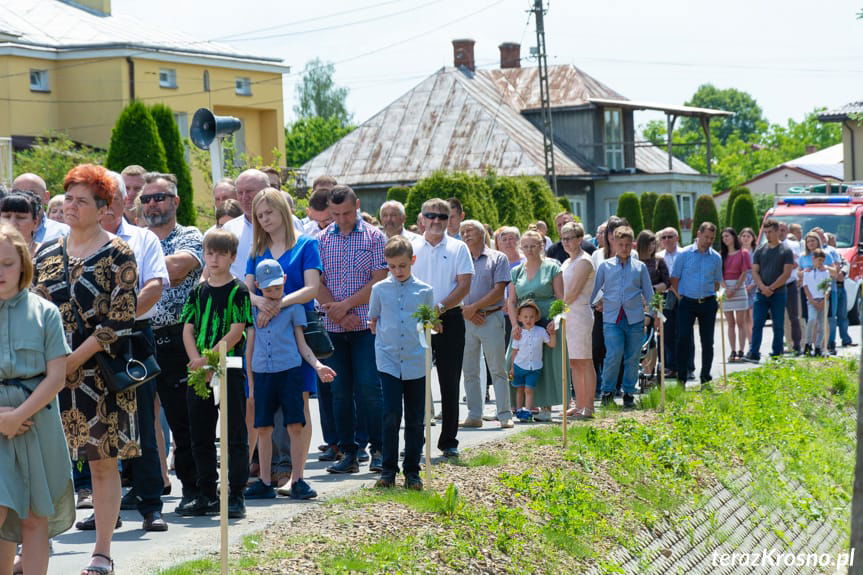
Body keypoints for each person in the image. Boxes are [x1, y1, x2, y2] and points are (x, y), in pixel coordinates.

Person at [32, 164, 138, 575]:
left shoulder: (117, 253)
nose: (70, 207)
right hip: (46, 377)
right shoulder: (45, 253)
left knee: (101, 462)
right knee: (42, 463)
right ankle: (38, 546)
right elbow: (34, 309)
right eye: (68, 199)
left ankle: (102, 551)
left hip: (100, 377)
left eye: (81, 201)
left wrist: (71, 361)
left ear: (103, 207)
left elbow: (120, 320)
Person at [0, 225, 73, 575]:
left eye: (7, 264)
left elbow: (56, 376)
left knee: (33, 514)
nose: (0, 272)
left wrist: (18, 415)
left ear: (23, 265)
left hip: (36, 421)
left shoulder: (45, 312)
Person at [101, 172, 169, 532]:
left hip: (133, 337)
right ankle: (104, 510)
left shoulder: (142, 239)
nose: (105, 203)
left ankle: (150, 504)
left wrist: (113, 322)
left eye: (109, 195)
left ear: (121, 199)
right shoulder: (76, 242)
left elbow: (154, 287)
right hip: (90, 343)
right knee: (100, 425)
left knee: (142, 422)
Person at [243, 188, 323, 489]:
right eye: (259, 215)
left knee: (299, 406)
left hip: (296, 334)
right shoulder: (256, 252)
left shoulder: (306, 245)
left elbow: (312, 288)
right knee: (266, 411)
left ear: (283, 212)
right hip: (265, 340)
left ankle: (298, 475)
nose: (265, 220)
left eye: (269, 213)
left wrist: (278, 303)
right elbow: (246, 290)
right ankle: (269, 472)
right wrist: (260, 301)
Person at [139, 173, 204, 517]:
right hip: (142, 337)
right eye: (147, 199)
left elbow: (179, 268)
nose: (152, 204)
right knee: (139, 422)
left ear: (175, 201)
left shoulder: (190, 235)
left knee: (185, 420)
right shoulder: (136, 238)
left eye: (160, 197)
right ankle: (145, 489)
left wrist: (137, 269)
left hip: (182, 338)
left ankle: (195, 488)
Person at [244, 259, 335, 500]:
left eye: (277, 287)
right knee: (263, 427)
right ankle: (264, 480)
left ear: (284, 281)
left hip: (289, 372)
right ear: (258, 287)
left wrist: (317, 365)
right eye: (267, 289)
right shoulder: (252, 310)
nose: (273, 293)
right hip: (263, 373)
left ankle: (297, 478)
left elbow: (301, 343)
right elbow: (249, 349)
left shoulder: (293, 308)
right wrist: (251, 383)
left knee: (295, 425)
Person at [181, 229, 252, 519]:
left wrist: (210, 359)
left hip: (228, 369)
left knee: (234, 432)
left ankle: (236, 494)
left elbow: (237, 331)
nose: (214, 258)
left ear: (232, 257)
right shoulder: (198, 291)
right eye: (210, 253)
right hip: (200, 372)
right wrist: (196, 360)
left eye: (221, 253)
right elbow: (187, 329)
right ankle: (206, 493)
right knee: (200, 433)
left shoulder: (239, 291)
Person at [318, 185, 387, 472]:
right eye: (335, 214)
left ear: (357, 205)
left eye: (347, 212)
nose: (342, 219)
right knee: (340, 391)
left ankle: (380, 449)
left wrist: (345, 306)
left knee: (370, 387)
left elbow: (380, 278)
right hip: (334, 325)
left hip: (364, 325)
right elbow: (316, 282)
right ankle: (347, 451)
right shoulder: (320, 239)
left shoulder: (374, 237)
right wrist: (338, 310)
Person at [368, 236, 435, 490]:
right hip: (389, 360)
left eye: (403, 266)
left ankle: (412, 470)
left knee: (416, 418)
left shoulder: (424, 291)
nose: (398, 271)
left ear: (412, 262)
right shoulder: (379, 289)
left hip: (416, 360)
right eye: (393, 266)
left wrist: (432, 326)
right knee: (391, 414)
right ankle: (388, 470)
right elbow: (374, 318)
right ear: (387, 264)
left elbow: (429, 323)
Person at [412, 198, 473, 456]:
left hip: (449, 318)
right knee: (415, 383)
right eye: (431, 216)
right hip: (416, 319)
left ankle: (448, 441)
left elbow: (463, 285)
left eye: (442, 216)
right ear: (422, 218)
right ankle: (416, 441)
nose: (436, 221)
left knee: (449, 382)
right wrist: (424, 314)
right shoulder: (411, 247)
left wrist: (438, 310)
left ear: (450, 220)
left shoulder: (459, 248)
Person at [591, 226, 655, 407]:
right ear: (613, 244)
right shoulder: (605, 266)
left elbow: (649, 293)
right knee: (613, 354)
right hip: (612, 318)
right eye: (621, 244)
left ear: (633, 244)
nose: (625, 248)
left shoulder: (640, 267)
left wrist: (653, 313)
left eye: (628, 244)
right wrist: (596, 303)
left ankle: (628, 392)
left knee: (633, 356)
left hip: (634, 318)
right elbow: (594, 289)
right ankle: (608, 390)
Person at [459, 220, 512, 429]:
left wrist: (475, 308)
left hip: (491, 318)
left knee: (497, 368)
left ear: (482, 234)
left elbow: (499, 291)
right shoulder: (459, 260)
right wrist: (468, 312)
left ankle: (504, 414)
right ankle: (474, 414)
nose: (465, 234)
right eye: (463, 232)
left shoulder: (498, 258)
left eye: (470, 230)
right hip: (466, 320)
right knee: (469, 369)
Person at [506, 230, 563, 420]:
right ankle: (518, 406)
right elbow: (512, 300)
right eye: (526, 246)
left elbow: (560, 298)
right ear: (521, 248)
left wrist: (555, 321)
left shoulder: (553, 267)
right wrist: (515, 324)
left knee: (546, 362)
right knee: (515, 360)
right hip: (524, 320)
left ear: (541, 246)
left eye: (534, 246)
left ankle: (546, 406)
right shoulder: (516, 271)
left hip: (546, 318)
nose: (529, 250)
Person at [670, 222, 723, 384]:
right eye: (706, 237)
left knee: (708, 341)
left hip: (707, 302)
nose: (708, 241)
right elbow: (674, 279)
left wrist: (710, 296)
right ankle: (682, 377)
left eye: (712, 238)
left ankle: (705, 376)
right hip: (687, 302)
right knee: (683, 338)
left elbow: (716, 282)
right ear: (698, 234)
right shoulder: (684, 254)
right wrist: (681, 297)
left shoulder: (716, 257)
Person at [743, 220, 793, 363]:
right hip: (761, 293)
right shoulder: (760, 250)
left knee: (778, 324)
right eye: (765, 232)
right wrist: (763, 287)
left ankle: (777, 352)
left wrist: (771, 288)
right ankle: (754, 352)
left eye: (770, 232)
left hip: (779, 293)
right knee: (757, 322)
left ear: (777, 231)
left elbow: (786, 274)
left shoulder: (786, 250)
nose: (768, 235)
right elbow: (754, 271)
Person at [559, 221, 595, 419]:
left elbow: (572, 292)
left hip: (579, 314)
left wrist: (556, 310)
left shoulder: (584, 261)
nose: (565, 242)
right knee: (573, 362)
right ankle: (579, 402)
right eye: (563, 238)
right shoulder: (567, 261)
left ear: (580, 239)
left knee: (585, 361)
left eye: (569, 238)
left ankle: (588, 406)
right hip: (568, 315)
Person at [509, 300, 554, 422]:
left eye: (531, 317)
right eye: (525, 317)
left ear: (536, 317)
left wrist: (552, 334)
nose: (528, 319)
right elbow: (514, 351)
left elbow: (551, 344)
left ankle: (528, 411)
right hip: (519, 366)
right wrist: (512, 367)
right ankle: (519, 410)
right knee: (519, 389)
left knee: (529, 389)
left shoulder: (540, 331)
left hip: (534, 368)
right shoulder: (518, 333)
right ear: (519, 318)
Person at [222, 169, 269, 279]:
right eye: (240, 192)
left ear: (267, 190)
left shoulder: (289, 223)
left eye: (249, 191)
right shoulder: (229, 228)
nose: (244, 197)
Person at [636, 230, 668, 379]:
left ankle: (650, 372)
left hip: (653, 301)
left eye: (654, 243)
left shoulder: (659, 261)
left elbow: (667, 282)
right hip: (636, 302)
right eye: (649, 244)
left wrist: (652, 289)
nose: (651, 247)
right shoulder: (634, 261)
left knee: (651, 336)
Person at [719, 227, 751, 362]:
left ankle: (741, 350)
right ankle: (732, 350)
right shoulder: (721, 255)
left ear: (733, 237)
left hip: (739, 288)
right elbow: (718, 274)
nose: (725, 239)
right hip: (725, 288)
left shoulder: (743, 253)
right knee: (730, 323)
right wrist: (726, 289)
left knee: (741, 322)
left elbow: (744, 272)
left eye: (727, 236)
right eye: (723, 237)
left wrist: (736, 288)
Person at [11, 173, 69, 244]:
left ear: (46, 197)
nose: (24, 198)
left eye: (31, 193)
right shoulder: (3, 232)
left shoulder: (64, 233)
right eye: (17, 193)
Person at [779, 222, 802, 355]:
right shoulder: (770, 246)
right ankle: (779, 346)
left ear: (787, 231)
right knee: (778, 318)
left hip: (790, 283)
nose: (781, 232)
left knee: (794, 317)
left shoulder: (793, 245)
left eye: (783, 230)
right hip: (777, 285)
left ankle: (797, 345)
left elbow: (794, 264)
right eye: (779, 230)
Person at [802, 249, 831, 356]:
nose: (820, 263)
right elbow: (805, 287)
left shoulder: (825, 272)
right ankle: (808, 343)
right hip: (812, 301)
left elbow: (828, 287)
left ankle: (818, 346)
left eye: (822, 261)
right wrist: (812, 301)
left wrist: (824, 299)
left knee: (822, 325)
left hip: (823, 300)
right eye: (819, 260)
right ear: (813, 259)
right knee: (811, 320)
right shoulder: (807, 272)